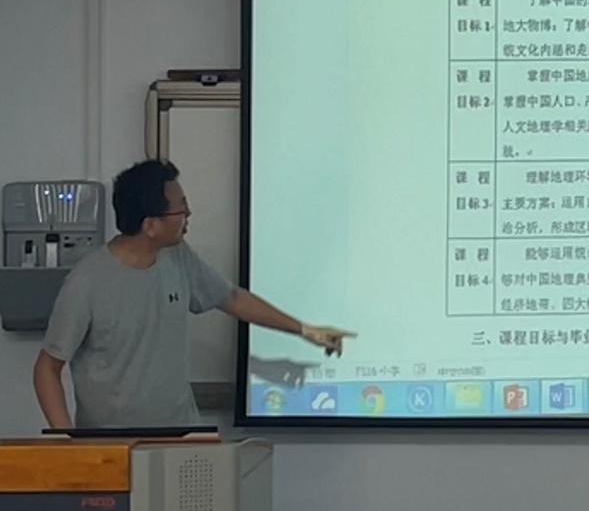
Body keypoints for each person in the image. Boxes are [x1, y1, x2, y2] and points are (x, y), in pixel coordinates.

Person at [33, 159, 354, 429]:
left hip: (181, 435)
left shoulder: (177, 256)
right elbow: (47, 369)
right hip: (112, 447)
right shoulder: (87, 282)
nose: (189, 216)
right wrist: (68, 442)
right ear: (150, 224)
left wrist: (304, 329)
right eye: (181, 210)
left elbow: (232, 298)